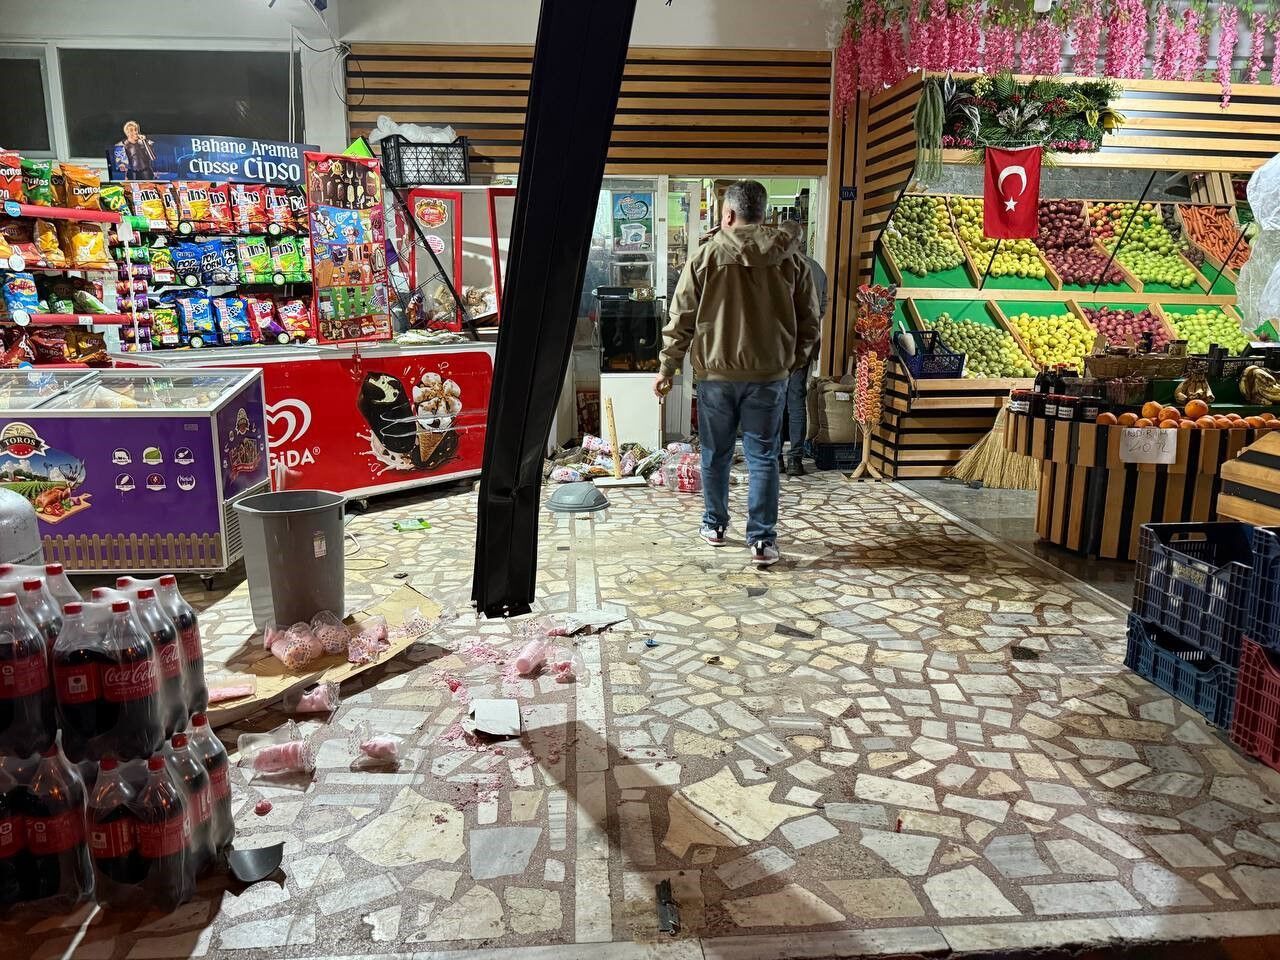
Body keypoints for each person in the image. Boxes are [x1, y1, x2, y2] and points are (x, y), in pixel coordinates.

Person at [654, 180, 820, 568]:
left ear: (727, 214)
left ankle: (714, 525)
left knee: (716, 454)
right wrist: (792, 362)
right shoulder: (792, 259)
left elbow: (681, 318)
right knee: (763, 457)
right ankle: (762, 540)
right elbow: (811, 320)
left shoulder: (705, 256)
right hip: (769, 376)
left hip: (716, 376)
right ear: (763, 214)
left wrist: (667, 366)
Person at [776, 220, 828, 477]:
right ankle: (795, 460)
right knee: (796, 401)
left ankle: (775, 459)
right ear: (801, 240)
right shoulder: (816, 269)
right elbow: (822, 308)